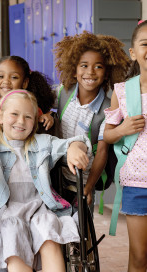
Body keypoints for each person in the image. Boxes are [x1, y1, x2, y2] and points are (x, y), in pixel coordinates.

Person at [0, 90, 91, 272]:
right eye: (14, 114)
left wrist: (74, 148)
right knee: (12, 232)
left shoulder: (42, 142)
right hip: (6, 214)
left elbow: (79, 141)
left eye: (28, 117)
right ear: (0, 116)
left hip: (39, 210)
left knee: (48, 231)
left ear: (34, 122)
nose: (20, 121)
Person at [53, 31, 130, 208]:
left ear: (107, 72)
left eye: (98, 67)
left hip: (82, 178)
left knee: (82, 228)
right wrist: (45, 114)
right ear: (74, 70)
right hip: (54, 175)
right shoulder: (62, 92)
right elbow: (34, 102)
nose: (90, 72)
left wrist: (87, 189)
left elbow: (102, 152)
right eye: (84, 65)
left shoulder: (108, 109)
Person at [103, 20, 147, 271]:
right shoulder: (122, 90)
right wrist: (123, 129)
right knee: (139, 256)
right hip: (137, 183)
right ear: (133, 53)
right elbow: (108, 136)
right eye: (145, 44)